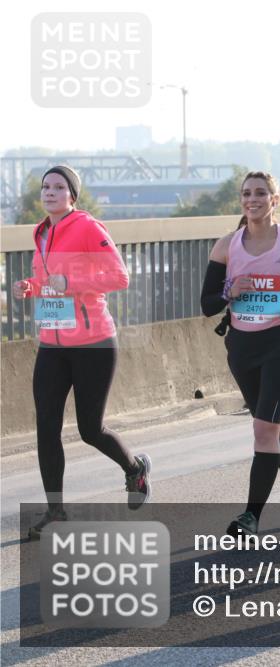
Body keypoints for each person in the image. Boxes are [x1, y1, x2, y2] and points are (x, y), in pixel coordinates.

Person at [14, 165, 151, 539]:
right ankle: (56, 511)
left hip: (93, 344)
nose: (50, 192)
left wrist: (71, 282)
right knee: (46, 428)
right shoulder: (41, 231)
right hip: (52, 344)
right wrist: (30, 286)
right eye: (46, 186)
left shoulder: (88, 227)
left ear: (72, 195)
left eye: (59, 187)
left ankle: (134, 468)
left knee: (90, 429)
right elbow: (48, 282)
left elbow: (119, 277)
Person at [200, 171, 280, 536]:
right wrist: (230, 290)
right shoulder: (227, 246)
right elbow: (206, 304)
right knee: (270, 425)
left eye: (261, 193)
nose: (252, 199)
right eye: (246, 193)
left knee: (262, 429)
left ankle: (250, 517)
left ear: (275, 200)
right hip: (242, 348)